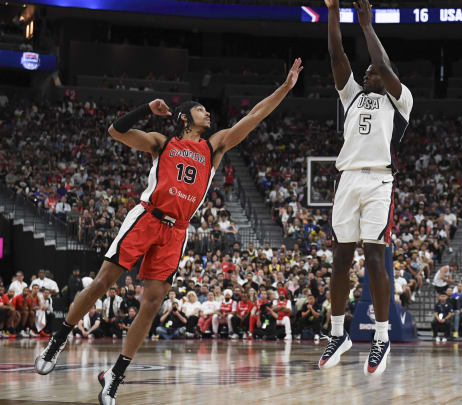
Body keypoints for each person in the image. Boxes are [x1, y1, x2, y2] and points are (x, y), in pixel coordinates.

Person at [34, 59, 304, 405]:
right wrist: (147, 108)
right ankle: (60, 338)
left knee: (151, 304)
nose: (209, 114)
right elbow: (116, 131)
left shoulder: (214, 147)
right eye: (202, 110)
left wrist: (285, 87)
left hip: (177, 231)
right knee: (102, 283)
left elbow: (254, 117)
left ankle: (115, 374)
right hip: (147, 217)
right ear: (185, 117)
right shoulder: (162, 143)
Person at [318, 0, 413, 377]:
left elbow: (385, 66)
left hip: (379, 180)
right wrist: (333, 11)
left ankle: (382, 336)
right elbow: (336, 53)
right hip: (347, 179)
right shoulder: (352, 96)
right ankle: (338, 334)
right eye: (367, 70)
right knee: (340, 259)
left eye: (374, 70)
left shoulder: (400, 100)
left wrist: (367, 25)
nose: (368, 71)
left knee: (375, 257)